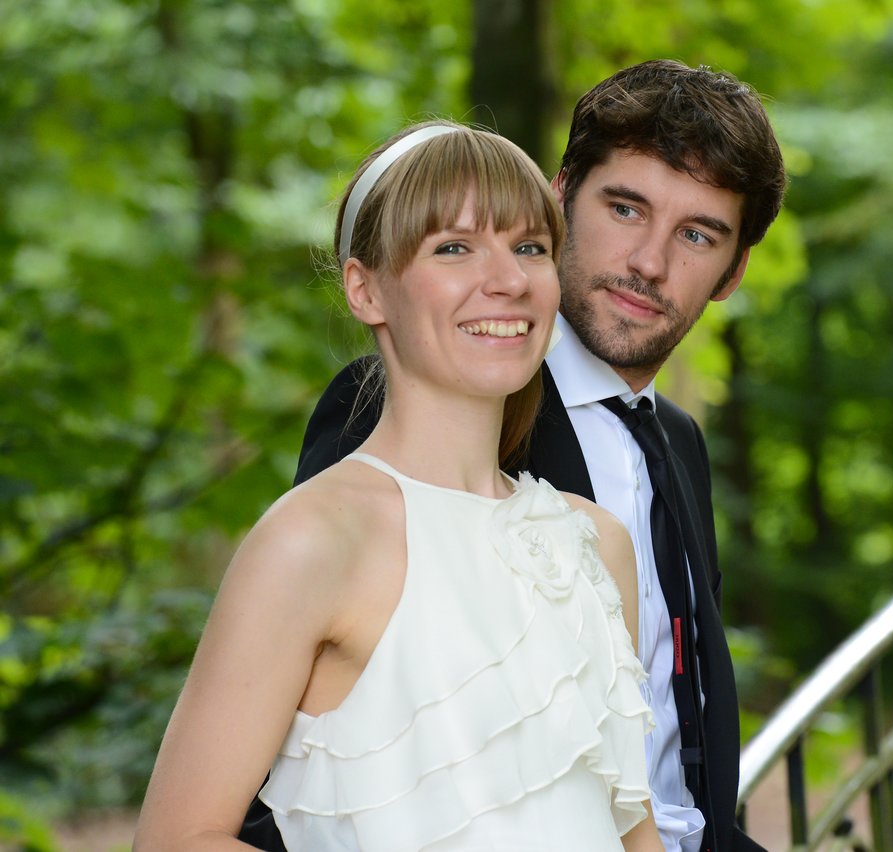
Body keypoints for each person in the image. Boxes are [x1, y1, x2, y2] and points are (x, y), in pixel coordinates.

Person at [261, 60, 786, 852]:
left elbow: (675, 763)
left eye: (697, 234)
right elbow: (306, 771)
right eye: (625, 207)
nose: (649, 260)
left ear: (734, 271)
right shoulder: (422, 404)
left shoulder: (677, 441)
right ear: (560, 195)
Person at [135, 121, 664, 851]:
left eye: (530, 248)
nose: (508, 279)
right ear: (365, 289)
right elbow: (177, 840)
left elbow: (632, 831)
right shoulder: (313, 539)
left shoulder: (596, 543)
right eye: (453, 247)